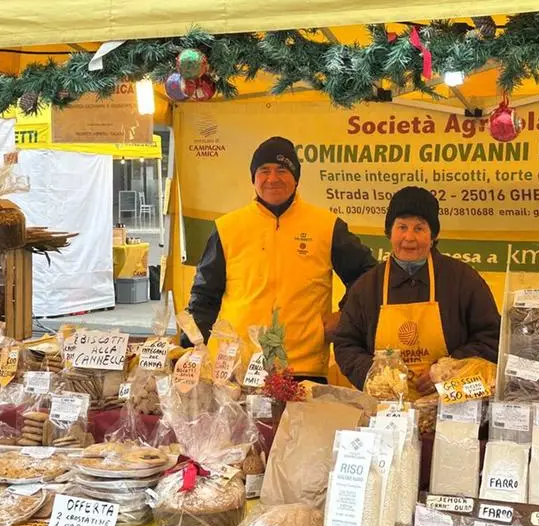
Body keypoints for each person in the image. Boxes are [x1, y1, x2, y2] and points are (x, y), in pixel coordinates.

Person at [187, 136, 376, 382]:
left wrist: (344, 315)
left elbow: (368, 275)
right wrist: (192, 348)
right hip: (236, 368)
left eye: (282, 170)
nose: (272, 179)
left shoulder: (326, 226)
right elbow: (204, 296)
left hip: (302, 367)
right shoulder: (228, 227)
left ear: (296, 177)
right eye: (264, 170)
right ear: (253, 178)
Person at [333, 186, 500, 396]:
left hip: (450, 406)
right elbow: (345, 344)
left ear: (433, 235)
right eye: (402, 227)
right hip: (387, 411)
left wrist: (448, 371)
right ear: (389, 233)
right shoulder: (367, 286)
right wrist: (376, 375)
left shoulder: (462, 279)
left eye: (419, 228)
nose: (409, 237)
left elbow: (491, 336)